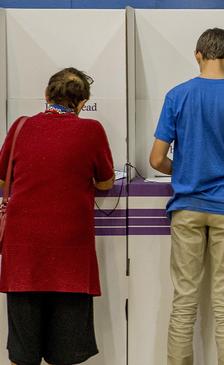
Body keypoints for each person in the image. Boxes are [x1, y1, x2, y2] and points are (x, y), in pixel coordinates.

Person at [149, 27, 224, 365]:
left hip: (186, 206)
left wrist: (185, 170)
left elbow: (156, 159)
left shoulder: (177, 95)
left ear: (198, 55)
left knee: (184, 300)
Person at [0, 67, 114, 365]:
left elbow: (3, 178)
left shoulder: (21, 126)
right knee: (65, 353)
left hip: (23, 253)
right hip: (71, 255)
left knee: (23, 354)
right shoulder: (91, 130)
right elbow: (105, 181)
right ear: (82, 104)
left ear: (47, 95)